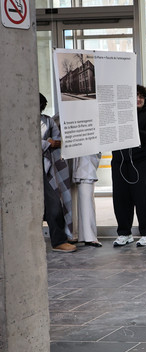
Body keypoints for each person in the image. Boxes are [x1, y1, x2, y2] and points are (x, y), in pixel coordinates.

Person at [113, 85, 146, 247]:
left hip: (142, 162)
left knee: (143, 198)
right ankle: (124, 233)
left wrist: (131, 128)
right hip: (120, 161)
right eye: (135, 96)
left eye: (141, 96)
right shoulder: (118, 114)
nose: (138, 99)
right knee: (121, 198)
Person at [40, 93, 75, 253]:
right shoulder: (20, 120)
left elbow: (58, 140)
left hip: (46, 168)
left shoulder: (47, 120)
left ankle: (59, 240)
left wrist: (51, 143)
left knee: (54, 203)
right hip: (23, 169)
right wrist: (47, 142)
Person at [71, 152, 102, 247]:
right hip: (67, 157)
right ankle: (72, 234)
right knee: (68, 199)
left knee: (86, 197)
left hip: (86, 158)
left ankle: (89, 236)